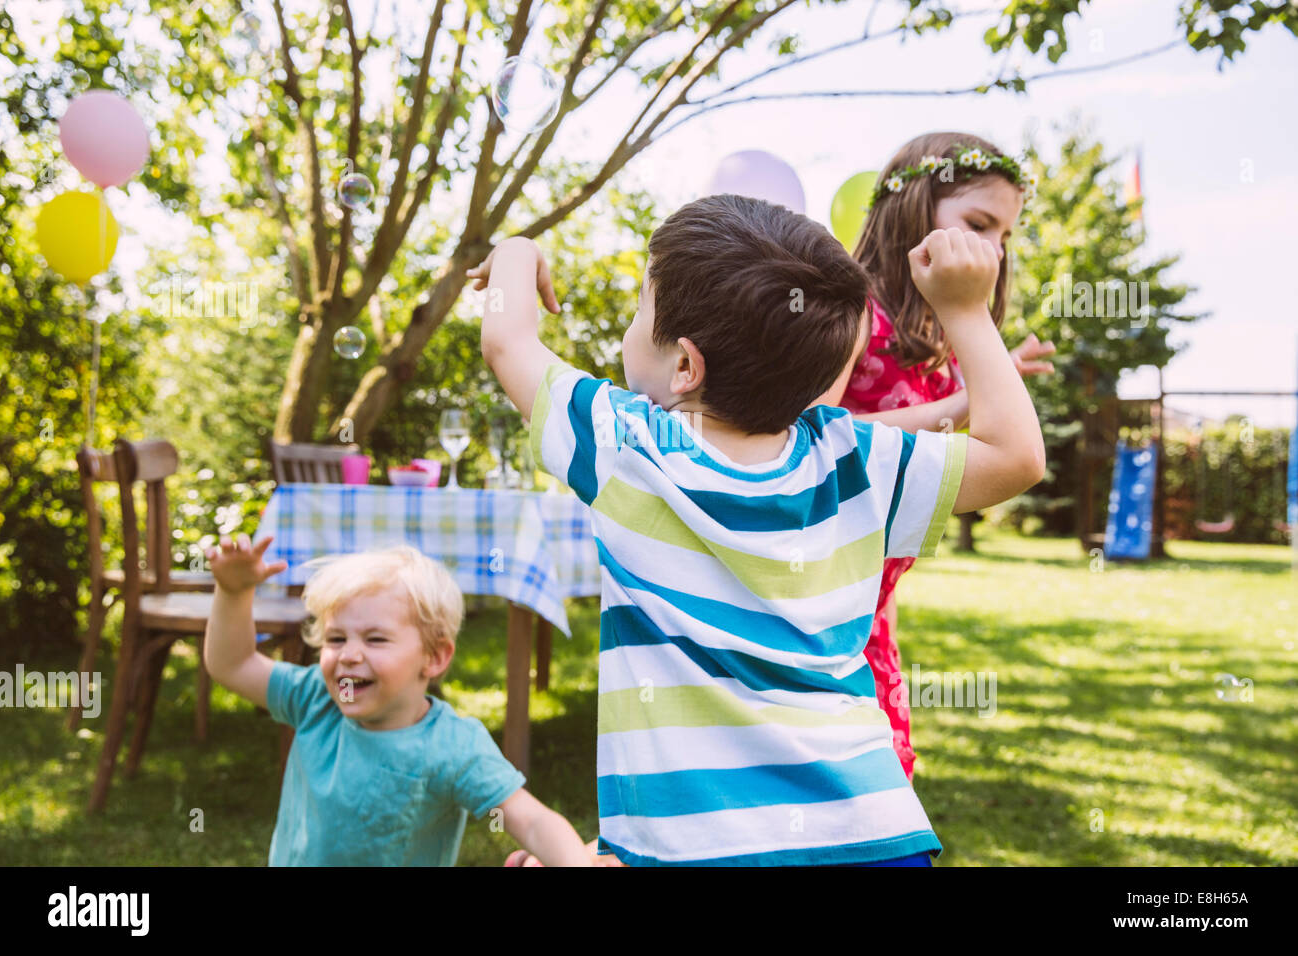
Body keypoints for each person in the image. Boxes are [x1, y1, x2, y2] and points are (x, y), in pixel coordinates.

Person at [470, 192, 1045, 866]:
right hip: (871, 834)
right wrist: (966, 309)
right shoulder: (852, 458)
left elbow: (507, 338)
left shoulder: (627, 445)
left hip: (700, 849)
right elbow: (1017, 457)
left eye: (639, 312)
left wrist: (516, 252)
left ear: (685, 366)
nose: (629, 330)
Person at [813, 132, 1058, 780]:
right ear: (913, 207)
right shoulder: (849, 313)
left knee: (884, 786)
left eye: (1004, 235)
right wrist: (966, 402)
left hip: (872, 611)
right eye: (979, 223)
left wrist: (983, 379)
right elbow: (811, 440)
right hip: (812, 604)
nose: (994, 251)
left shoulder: (934, 336)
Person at [202, 539, 591, 866]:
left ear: (434, 658)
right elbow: (232, 663)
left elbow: (532, 820)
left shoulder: (451, 745)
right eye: (336, 639)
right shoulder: (314, 700)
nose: (349, 654)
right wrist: (234, 594)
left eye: (375, 639)